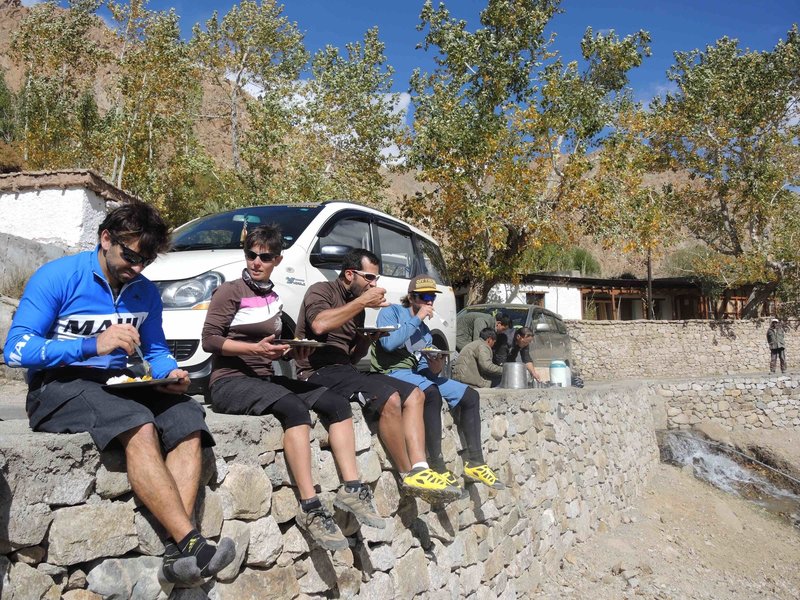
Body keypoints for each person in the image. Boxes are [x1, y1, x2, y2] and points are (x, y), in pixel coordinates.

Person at [3, 203, 235, 587]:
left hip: (118, 384)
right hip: (56, 387)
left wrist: (169, 374)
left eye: (146, 260)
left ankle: (178, 556)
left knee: (187, 416)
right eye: (130, 256)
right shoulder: (57, 277)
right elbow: (15, 349)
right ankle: (190, 542)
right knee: (138, 424)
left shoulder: (144, 292)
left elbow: (156, 351)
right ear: (105, 238)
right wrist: (91, 345)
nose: (138, 268)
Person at [201, 225, 384, 552]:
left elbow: (272, 344)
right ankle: (310, 506)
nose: (257, 262)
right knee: (295, 409)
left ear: (276, 259)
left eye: (265, 257)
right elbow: (210, 340)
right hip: (229, 381)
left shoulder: (273, 297)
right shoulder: (230, 291)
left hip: (262, 377)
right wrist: (254, 350)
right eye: (251, 255)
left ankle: (352, 488)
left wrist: (294, 350)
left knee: (336, 403)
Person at [294, 249, 459, 503]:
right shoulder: (322, 291)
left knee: (415, 394)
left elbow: (350, 357)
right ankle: (407, 475)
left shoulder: (357, 307)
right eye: (370, 278)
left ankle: (420, 468)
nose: (375, 285)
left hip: (345, 370)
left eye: (376, 279)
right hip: (317, 371)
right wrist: (362, 302)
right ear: (350, 274)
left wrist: (366, 340)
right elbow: (319, 325)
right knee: (390, 397)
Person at [371, 276, 504, 490]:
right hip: (392, 372)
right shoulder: (392, 312)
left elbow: (424, 366)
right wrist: (417, 319)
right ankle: (436, 465)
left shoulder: (425, 331)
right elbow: (388, 343)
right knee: (431, 392)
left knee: (470, 396)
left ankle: (475, 462)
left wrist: (435, 365)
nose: (430, 301)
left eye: (432, 296)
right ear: (411, 296)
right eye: (424, 296)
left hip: (417, 374)